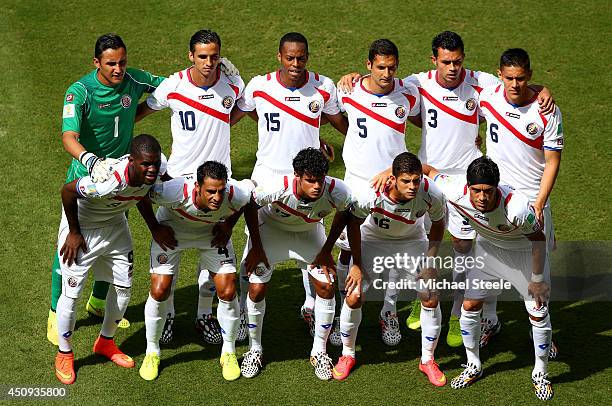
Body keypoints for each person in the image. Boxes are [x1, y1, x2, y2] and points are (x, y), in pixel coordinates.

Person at [338, 31, 555, 348]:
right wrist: (353, 77)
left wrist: (541, 90)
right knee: (420, 242)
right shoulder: (417, 84)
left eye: (457, 61)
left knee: (465, 249)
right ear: (433, 60)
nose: (452, 68)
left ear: (463, 59)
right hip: (427, 178)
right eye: (445, 62)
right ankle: (417, 300)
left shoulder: (481, 83)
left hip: (469, 182)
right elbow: (394, 102)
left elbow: (516, 87)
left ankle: (456, 316)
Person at [48, 33, 165, 345]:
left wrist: (210, 77)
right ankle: (53, 313)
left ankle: (99, 304)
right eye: (111, 63)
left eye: (122, 62)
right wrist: (90, 159)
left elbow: (172, 86)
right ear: (96, 62)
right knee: (69, 248)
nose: (118, 69)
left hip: (125, 175)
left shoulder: (134, 79)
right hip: (88, 176)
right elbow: (68, 137)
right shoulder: (81, 92)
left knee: (113, 244)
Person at [231, 32, 348, 341]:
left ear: (307, 57)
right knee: (251, 252)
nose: (296, 64)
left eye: (301, 58)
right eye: (290, 58)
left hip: (307, 179)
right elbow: (232, 116)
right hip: (268, 176)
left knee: (307, 238)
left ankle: (311, 308)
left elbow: (343, 124)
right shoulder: (259, 86)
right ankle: (244, 314)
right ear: (279, 57)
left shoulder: (323, 87)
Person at [135, 29, 245, 347]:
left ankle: (203, 316)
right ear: (190, 56)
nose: (209, 63)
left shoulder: (233, 85)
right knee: (170, 262)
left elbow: (249, 111)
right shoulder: (174, 86)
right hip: (179, 187)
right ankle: (167, 317)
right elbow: (139, 113)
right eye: (202, 57)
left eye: (214, 56)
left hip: (215, 189)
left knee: (213, 262)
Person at [429, 156, 554, 401]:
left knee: (538, 313)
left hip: (524, 256)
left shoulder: (516, 207)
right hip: (489, 253)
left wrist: (537, 279)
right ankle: (474, 364)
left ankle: (541, 372)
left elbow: (538, 240)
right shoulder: (454, 189)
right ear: (468, 187)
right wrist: (389, 172)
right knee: (470, 305)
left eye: (488, 191)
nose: (482, 197)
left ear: (497, 187)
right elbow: (427, 170)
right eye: (476, 191)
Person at [54, 134, 166, 385]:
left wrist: (154, 227)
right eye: (146, 164)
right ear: (132, 161)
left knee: (124, 291)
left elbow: (142, 194)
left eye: (155, 163)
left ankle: (105, 342)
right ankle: (64, 352)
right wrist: (73, 232)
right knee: (71, 296)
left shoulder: (159, 168)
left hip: (116, 227)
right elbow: (68, 192)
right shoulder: (107, 181)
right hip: (84, 229)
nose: (152, 169)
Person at [239, 148, 357, 380]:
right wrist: (257, 247)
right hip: (271, 232)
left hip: (308, 234)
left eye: (320, 181)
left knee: (326, 286)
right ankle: (255, 349)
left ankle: (319, 352)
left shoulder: (338, 190)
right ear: (297, 176)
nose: (316, 186)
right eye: (310, 180)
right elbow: (250, 206)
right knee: (256, 288)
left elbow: (345, 214)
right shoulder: (276, 186)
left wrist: (326, 249)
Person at [333, 38, 421, 347]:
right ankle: (343, 308)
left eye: (392, 68)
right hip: (357, 182)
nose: (386, 73)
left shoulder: (409, 94)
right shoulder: (347, 90)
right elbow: (330, 117)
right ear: (368, 65)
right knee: (347, 249)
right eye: (380, 67)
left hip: (395, 185)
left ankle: (389, 310)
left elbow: (430, 122)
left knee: (395, 247)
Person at [333, 152, 447, 385]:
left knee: (430, 296)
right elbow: (354, 225)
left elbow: (438, 223)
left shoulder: (431, 193)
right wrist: (356, 264)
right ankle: (347, 355)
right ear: (392, 179)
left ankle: (427, 360)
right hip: (372, 240)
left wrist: (430, 261)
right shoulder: (370, 194)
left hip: (410, 241)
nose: (413, 186)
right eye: (406, 181)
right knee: (354, 298)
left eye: (416, 180)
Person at [477, 48, 563, 357]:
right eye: (509, 78)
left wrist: (540, 202)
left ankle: (541, 328)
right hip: (495, 198)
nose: (515, 84)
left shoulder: (547, 111)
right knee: (489, 259)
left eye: (522, 78)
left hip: (532, 199)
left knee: (539, 272)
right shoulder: (488, 96)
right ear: (499, 75)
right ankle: (490, 320)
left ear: (530, 75)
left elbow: (553, 161)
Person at [138, 161, 254, 381]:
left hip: (211, 235)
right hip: (172, 233)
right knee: (160, 289)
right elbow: (142, 195)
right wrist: (155, 228)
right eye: (211, 191)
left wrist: (228, 225)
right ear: (197, 187)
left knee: (228, 291)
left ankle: (228, 351)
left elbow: (249, 199)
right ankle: (152, 351)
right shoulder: (173, 191)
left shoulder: (234, 194)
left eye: (220, 191)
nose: (217, 198)